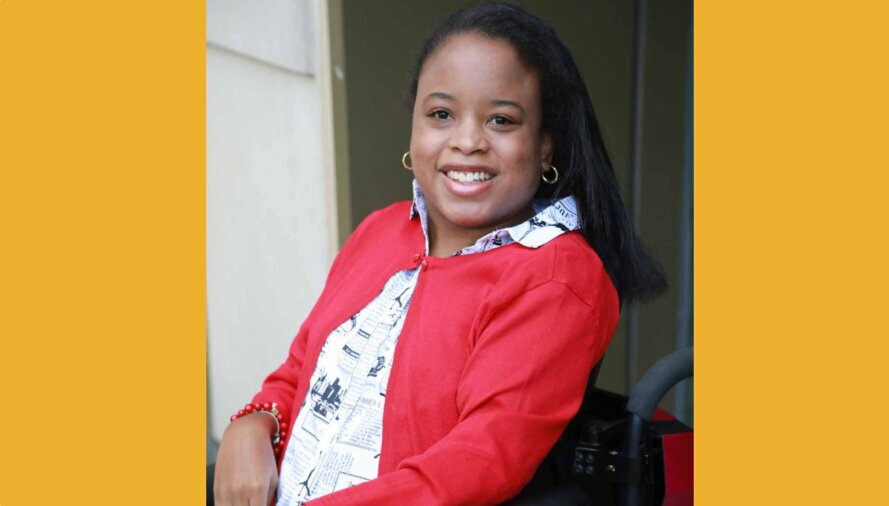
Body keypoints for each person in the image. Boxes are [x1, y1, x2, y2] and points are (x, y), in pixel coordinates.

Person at [212, 3, 666, 505]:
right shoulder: (382, 230)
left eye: (501, 120)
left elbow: (476, 465)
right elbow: (301, 369)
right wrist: (255, 422)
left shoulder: (557, 277)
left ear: (544, 147)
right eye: (441, 114)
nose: (467, 141)